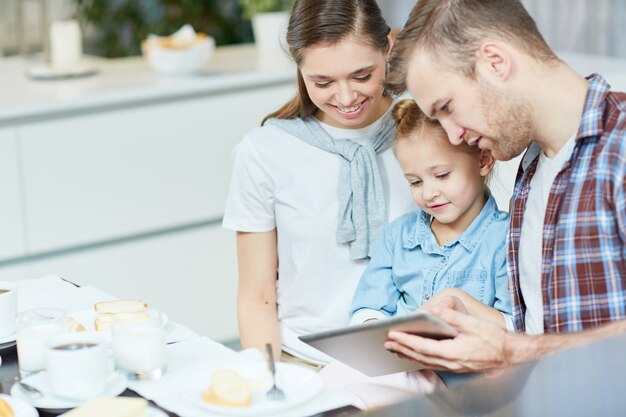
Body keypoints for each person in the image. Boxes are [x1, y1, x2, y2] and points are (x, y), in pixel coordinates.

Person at [380, 0, 626, 373]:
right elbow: (548, 332)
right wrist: (477, 320)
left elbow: (527, 350)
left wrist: (510, 351)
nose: (454, 134)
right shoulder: (530, 167)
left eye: (447, 107)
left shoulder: (619, 147)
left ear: (495, 62)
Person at [222, 0, 416, 368]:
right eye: (322, 82)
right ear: (299, 67)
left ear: (387, 48)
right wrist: (269, 383)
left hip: (415, 358)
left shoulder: (426, 129)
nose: (345, 98)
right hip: (307, 360)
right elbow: (256, 296)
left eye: (362, 76)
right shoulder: (264, 151)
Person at [350, 99, 512, 329]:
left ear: (484, 161)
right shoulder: (397, 236)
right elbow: (367, 308)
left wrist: (459, 302)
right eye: (415, 182)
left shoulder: (507, 238)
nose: (428, 193)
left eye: (442, 175)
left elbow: (517, 327)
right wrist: (375, 329)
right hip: (402, 361)